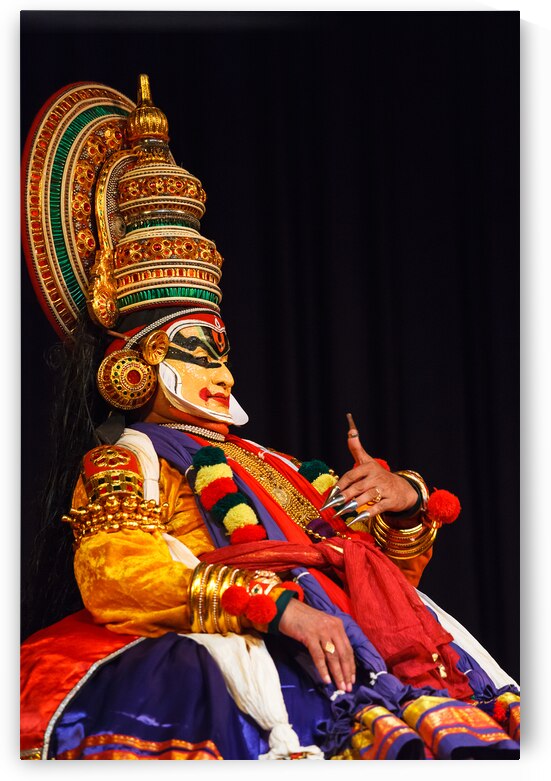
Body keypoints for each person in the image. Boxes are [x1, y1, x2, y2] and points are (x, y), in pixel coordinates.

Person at [20, 75, 520, 761]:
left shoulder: (279, 465)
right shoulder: (125, 457)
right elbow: (118, 577)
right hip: (256, 661)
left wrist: (404, 504)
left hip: (386, 665)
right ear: (131, 365)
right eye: (199, 353)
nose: (223, 373)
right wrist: (275, 604)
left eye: (224, 352)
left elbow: (386, 587)